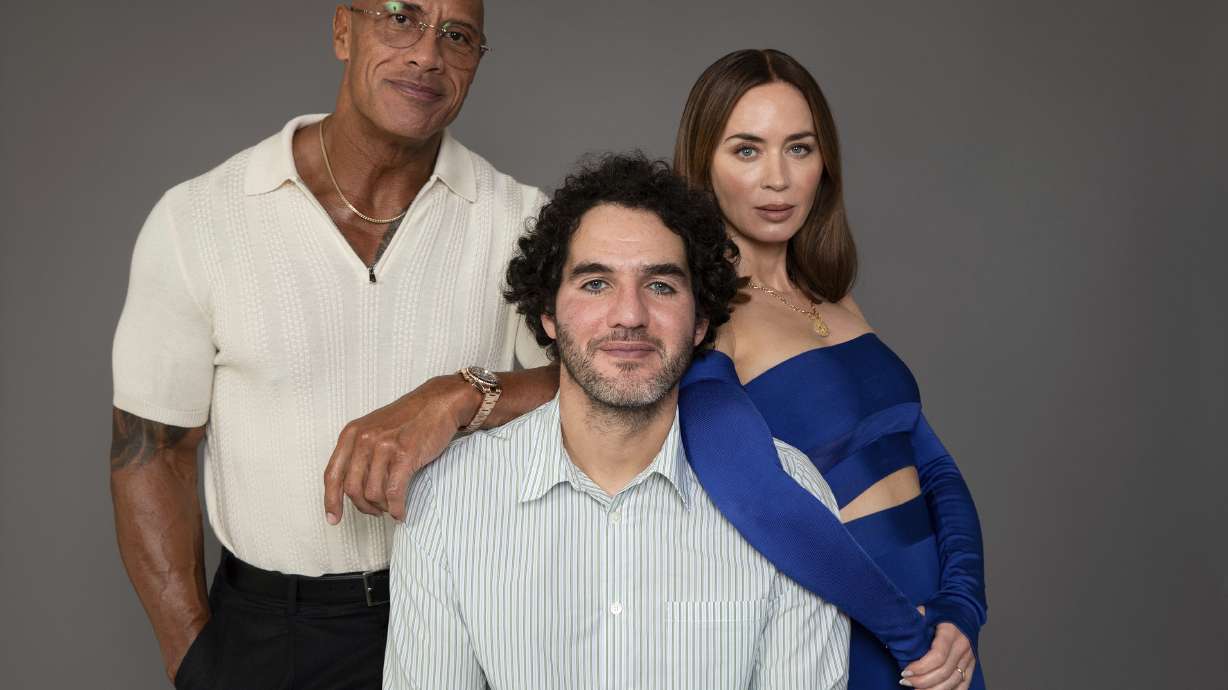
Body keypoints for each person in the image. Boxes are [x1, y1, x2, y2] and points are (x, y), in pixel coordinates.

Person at [109, 2, 557, 687]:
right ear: (343, 30)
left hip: (465, 614)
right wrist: (194, 661)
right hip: (273, 634)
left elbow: (598, 392)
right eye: (401, 18)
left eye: (457, 36)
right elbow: (152, 452)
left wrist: (459, 394)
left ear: (476, 61)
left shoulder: (522, 219)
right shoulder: (199, 218)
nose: (427, 55)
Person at [383, 153, 850, 690]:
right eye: (596, 283)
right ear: (548, 313)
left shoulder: (793, 495)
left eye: (661, 285)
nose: (630, 315)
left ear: (701, 321)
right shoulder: (448, 499)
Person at [672, 49, 988, 689]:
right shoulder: (704, 318)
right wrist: (905, 634)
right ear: (703, 165)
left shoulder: (835, 299)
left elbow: (933, 465)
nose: (778, 179)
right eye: (747, 150)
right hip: (853, 632)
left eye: (799, 148)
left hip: (941, 638)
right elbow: (758, 501)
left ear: (824, 162)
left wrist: (962, 608)